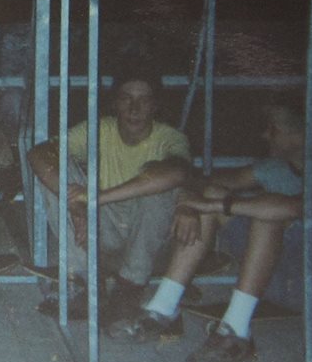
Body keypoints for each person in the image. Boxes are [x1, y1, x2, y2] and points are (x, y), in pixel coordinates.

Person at [107, 98, 312, 362]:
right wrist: (188, 200)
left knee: (266, 213)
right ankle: (162, 309)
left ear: (300, 135)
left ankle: (236, 332)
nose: (264, 135)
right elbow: (204, 184)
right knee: (211, 196)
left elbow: (294, 207)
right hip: (285, 278)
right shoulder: (275, 168)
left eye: (273, 129)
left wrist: (216, 204)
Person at [27, 64, 191, 323]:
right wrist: (76, 205)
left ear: (155, 105)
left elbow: (177, 174)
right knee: (54, 170)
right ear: (115, 103)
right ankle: (83, 283)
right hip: (100, 233)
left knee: (159, 184)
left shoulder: (170, 138)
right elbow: (38, 153)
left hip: (148, 244)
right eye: (126, 98)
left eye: (143, 100)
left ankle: (130, 288)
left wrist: (93, 199)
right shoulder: (100, 128)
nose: (134, 109)